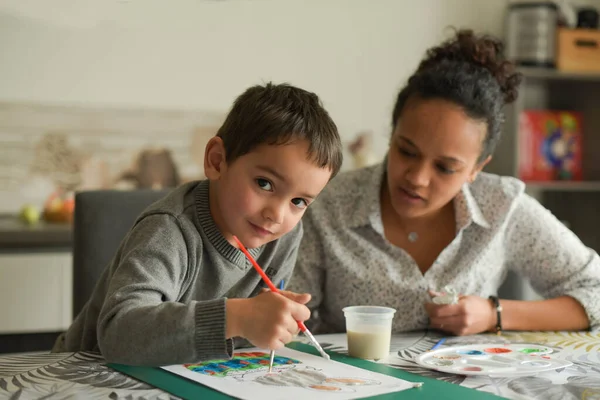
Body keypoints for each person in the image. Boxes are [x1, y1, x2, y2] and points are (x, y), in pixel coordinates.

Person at [288, 30, 600, 336]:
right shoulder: (327, 205)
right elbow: (287, 317)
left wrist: (495, 313)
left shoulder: (501, 205)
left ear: (477, 168)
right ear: (392, 133)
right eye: (406, 151)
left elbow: (594, 291)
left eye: (446, 168)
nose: (417, 178)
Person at [52, 82, 343, 366]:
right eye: (264, 183)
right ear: (217, 161)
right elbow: (118, 335)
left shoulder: (282, 236)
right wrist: (238, 317)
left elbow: (238, 338)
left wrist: (269, 318)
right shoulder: (169, 230)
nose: (277, 215)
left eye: (299, 202)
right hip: (87, 373)